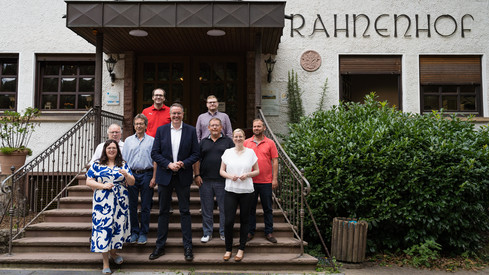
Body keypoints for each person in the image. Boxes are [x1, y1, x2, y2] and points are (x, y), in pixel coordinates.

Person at [149, 103, 199, 261]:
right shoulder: (161, 130)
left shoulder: (190, 131)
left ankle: (188, 247)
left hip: (183, 175)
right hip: (165, 175)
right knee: (163, 212)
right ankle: (160, 246)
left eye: (179, 113)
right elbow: (155, 153)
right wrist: (168, 164)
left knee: (185, 212)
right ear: (169, 115)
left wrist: (183, 163)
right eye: (174, 114)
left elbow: (196, 153)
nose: (176, 116)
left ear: (183, 114)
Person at [86, 139, 135, 274]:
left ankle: (113, 253)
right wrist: (103, 186)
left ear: (117, 150)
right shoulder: (97, 165)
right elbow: (88, 181)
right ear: (105, 150)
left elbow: (131, 182)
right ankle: (105, 262)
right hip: (102, 202)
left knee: (116, 228)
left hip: (120, 202)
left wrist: (126, 175)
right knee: (104, 229)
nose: (111, 150)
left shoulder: (123, 164)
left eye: (114, 148)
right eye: (109, 148)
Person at [219, 128, 259, 262]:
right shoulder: (227, 152)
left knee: (244, 220)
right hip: (230, 190)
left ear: (244, 137)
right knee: (229, 221)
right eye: (236, 137)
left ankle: (241, 249)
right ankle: (228, 249)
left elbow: (257, 171)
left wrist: (247, 174)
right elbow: (221, 171)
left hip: (246, 191)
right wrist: (230, 176)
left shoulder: (251, 152)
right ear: (233, 138)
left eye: (240, 136)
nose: (238, 139)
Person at [194, 118, 234, 243]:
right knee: (207, 208)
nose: (215, 127)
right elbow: (196, 160)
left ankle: (223, 232)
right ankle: (207, 232)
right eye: (212, 125)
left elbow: (233, 159)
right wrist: (197, 175)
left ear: (221, 127)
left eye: (217, 125)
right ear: (208, 128)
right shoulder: (203, 142)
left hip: (223, 181)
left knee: (224, 209)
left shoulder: (228, 142)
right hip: (205, 180)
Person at [122, 114, 156, 245]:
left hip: (147, 174)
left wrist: (154, 177)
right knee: (132, 205)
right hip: (132, 175)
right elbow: (124, 160)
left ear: (146, 126)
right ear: (134, 126)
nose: (139, 126)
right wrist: (125, 176)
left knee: (146, 206)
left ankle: (143, 233)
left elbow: (155, 161)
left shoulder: (152, 141)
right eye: (137, 124)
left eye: (141, 123)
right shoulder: (128, 141)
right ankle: (134, 231)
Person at [244, 118, 279, 244]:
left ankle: (269, 232)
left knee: (267, 208)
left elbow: (275, 161)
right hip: (250, 181)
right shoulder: (246, 143)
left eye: (259, 126)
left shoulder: (270, 143)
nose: (256, 128)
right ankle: (250, 231)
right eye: (254, 127)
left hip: (266, 181)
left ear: (264, 128)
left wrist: (274, 179)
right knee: (250, 208)